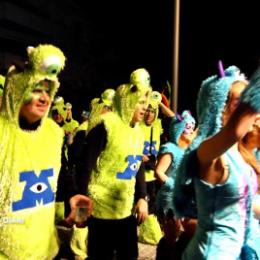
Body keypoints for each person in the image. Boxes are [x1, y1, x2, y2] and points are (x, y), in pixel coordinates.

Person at [0, 44, 92, 259]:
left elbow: (58, 171)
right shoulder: (2, 134)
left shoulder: (53, 133)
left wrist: (72, 195)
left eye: (48, 91)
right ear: (18, 90)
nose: (44, 98)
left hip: (45, 249)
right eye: (36, 89)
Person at [173, 64, 260, 259]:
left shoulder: (240, 156)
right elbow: (234, 130)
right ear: (217, 108)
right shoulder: (207, 153)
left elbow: (242, 204)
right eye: (240, 104)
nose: (249, 112)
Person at [70, 75, 151, 260]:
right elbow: (84, 168)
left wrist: (142, 197)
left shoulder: (138, 132)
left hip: (125, 210)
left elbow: (137, 164)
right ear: (128, 100)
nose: (145, 107)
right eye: (140, 102)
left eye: (146, 102)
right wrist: (81, 213)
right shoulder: (106, 125)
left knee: (130, 255)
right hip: (99, 212)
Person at [155, 110, 196, 260]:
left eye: (193, 125)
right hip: (169, 199)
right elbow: (159, 172)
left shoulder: (190, 151)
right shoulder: (170, 149)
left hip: (185, 200)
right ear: (178, 129)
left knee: (183, 235)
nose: (191, 129)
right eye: (188, 126)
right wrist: (175, 185)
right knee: (171, 237)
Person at [138, 91, 164, 245]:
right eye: (147, 110)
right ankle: (147, 233)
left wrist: (158, 102)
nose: (149, 114)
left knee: (151, 206)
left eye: (152, 112)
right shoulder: (137, 125)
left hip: (152, 174)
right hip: (138, 173)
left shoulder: (158, 125)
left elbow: (174, 117)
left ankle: (146, 233)